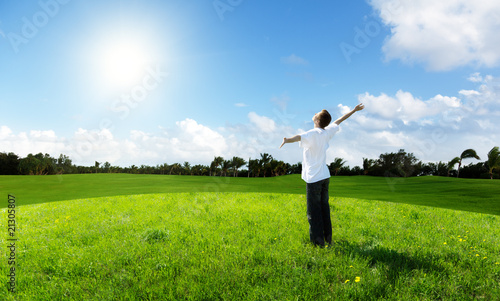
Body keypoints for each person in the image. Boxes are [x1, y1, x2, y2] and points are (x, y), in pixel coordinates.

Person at [279, 103, 364, 246]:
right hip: (325, 176)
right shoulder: (327, 132)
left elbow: (298, 137)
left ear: (317, 121)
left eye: (317, 113)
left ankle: (318, 243)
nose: (315, 113)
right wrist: (354, 110)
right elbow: (339, 120)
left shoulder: (311, 133)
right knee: (324, 208)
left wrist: (287, 140)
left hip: (314, 179)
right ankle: (328, 238)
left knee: (313, 211)